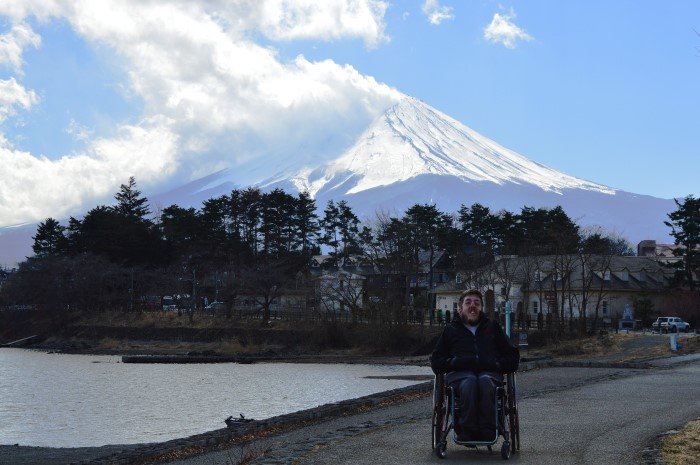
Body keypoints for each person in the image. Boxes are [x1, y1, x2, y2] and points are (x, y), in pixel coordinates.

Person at [430, 289, 519, 442]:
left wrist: (497, 365)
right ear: (460, 308)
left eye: (477, 303)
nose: (472, 306)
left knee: (484, 381)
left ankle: (487, 429)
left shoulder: (493, 327)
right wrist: (454, 362)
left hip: (490, 374)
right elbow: (436, 361)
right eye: (468, 303)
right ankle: (467, 430)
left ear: (481, 308)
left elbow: (512, 357)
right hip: (459, 377)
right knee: (470, 381)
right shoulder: (450, 330)